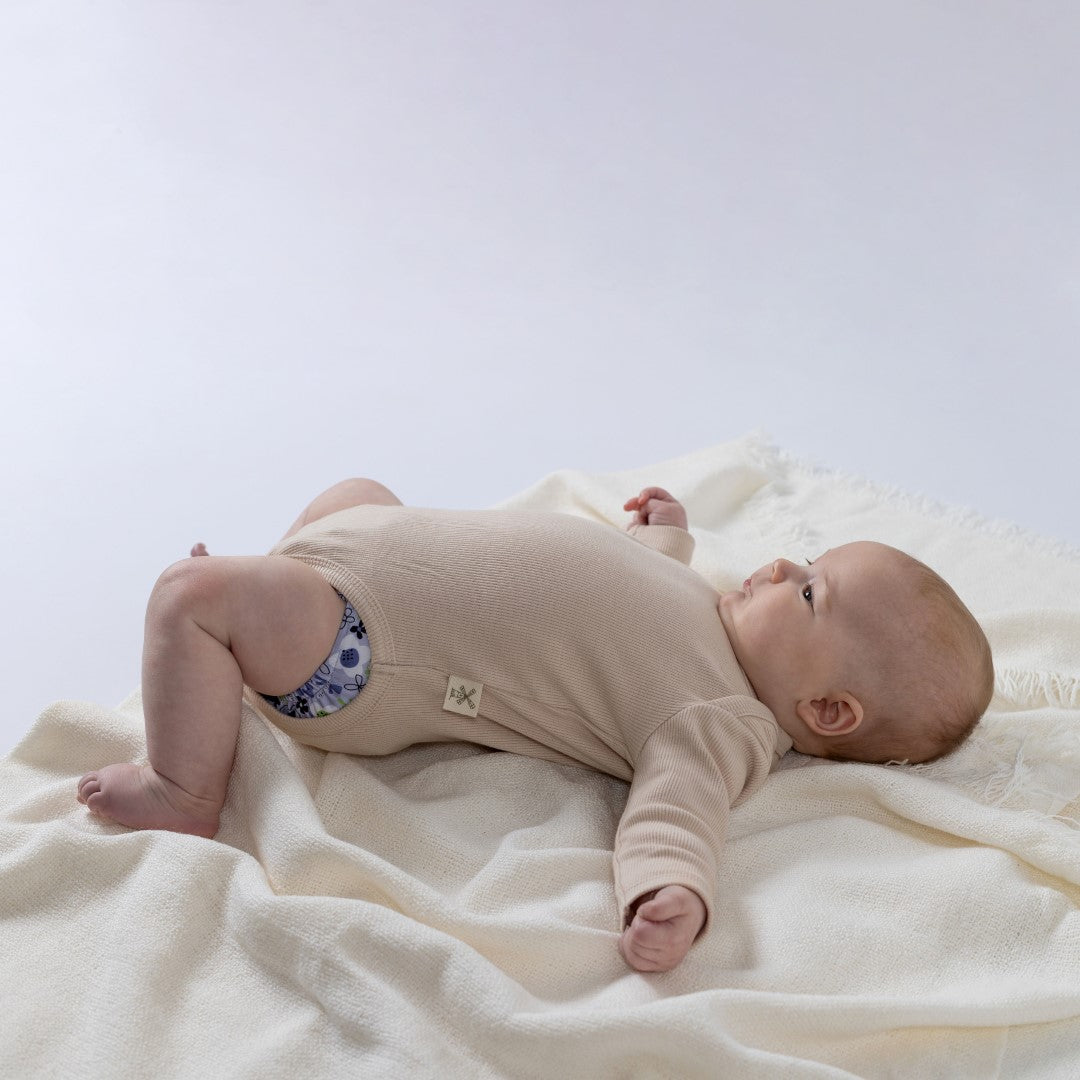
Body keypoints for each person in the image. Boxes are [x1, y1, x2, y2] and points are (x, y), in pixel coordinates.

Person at [77, 479, 994, 972]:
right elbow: (626, 580)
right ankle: (260, 591)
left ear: (825, 711)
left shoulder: (718, 719)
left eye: (809, 591)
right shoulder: (705, 605)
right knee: (355, 488)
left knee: (189, 596)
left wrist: (671, 893)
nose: (783, 560)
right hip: (356, 568)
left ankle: (183, 784)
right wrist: (666, 534)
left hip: (363, 652)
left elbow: (678, 811)